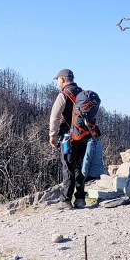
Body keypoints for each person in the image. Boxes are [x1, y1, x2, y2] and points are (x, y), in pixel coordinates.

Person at [49, 68, 88, 210]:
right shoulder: (83, 93)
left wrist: (52, 135)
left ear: (63, 79)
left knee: (68, 166)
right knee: (79, 166)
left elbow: (55, 116)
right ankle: (80, 199)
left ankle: (66, 200)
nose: (58, 83)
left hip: (67, 137)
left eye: (58, 80)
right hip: (83, 136)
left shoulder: (64, 94)